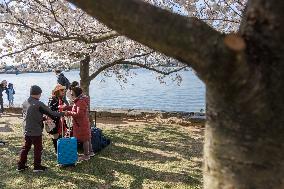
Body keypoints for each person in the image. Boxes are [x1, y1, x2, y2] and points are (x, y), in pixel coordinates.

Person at [17, 85, 65, 172]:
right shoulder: (39, 104)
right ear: (38, 94)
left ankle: (21, 165)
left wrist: (42, 118)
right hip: (35, 131)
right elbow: (52, 113)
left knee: (25, 148)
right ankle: (37, 167)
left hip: (26, 129)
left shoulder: (25, 102)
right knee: (38, 149)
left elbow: (29, 115)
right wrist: (64, 113)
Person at [65, 87, 94, 161]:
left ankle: (86, 155)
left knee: (85, 139)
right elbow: (75, 108)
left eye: (72, 94)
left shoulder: (80, 101)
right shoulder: (80, 100)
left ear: (75, 94)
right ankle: (90, 152)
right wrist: (67, 108)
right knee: (87, 138)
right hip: (82, 122)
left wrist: (68, 113)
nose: (71, 95)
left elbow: (79, 114)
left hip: (81, 123)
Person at [48, 84, 68, 153]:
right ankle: (58, 152)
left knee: (61, 135)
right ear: (57, 91)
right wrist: (61, 110)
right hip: (55, 121)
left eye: (64, 90)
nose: (63, 91)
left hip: (60, 120)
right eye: (62, 90)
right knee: (55, 137)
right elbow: (51, 112)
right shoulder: (52, 99)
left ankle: (61, 150)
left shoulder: (60, 99)